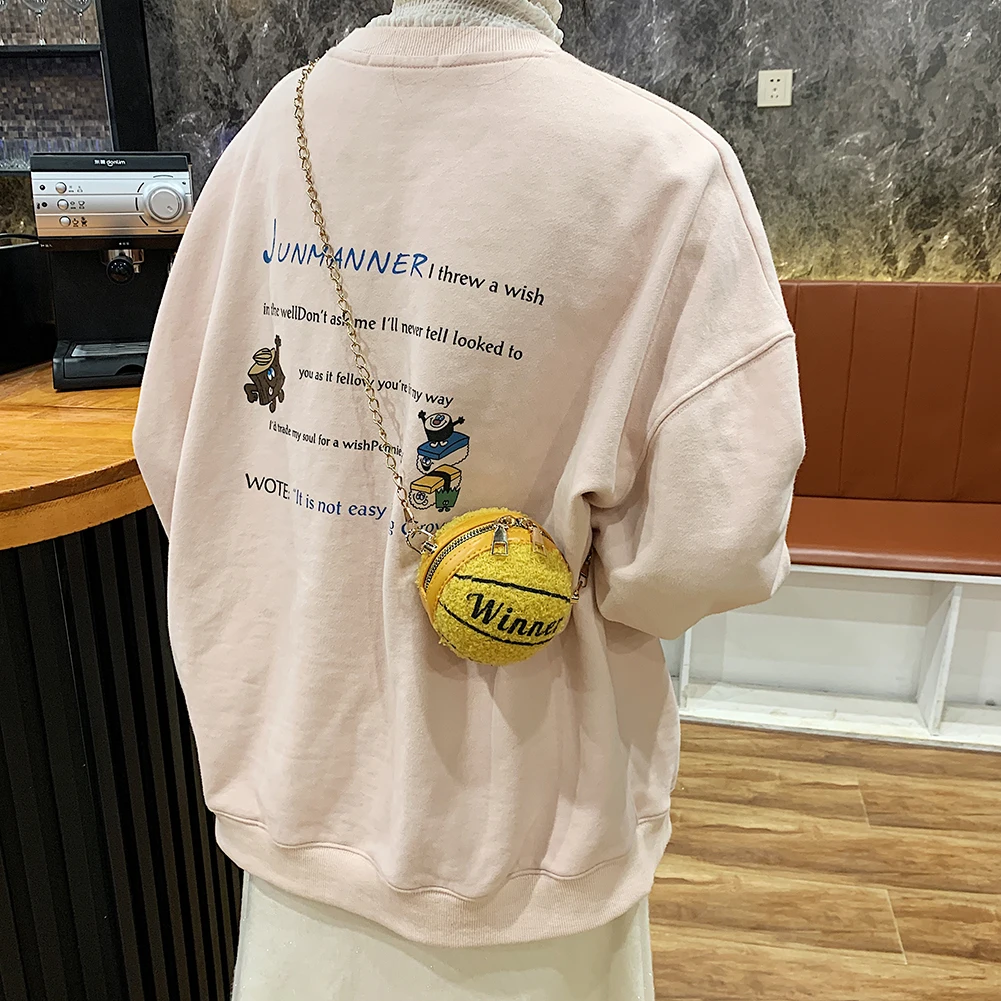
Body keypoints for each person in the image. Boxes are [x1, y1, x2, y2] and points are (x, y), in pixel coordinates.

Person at [132, 0, 805, 997]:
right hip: (529, 830)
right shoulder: (664, 170)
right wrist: (583, 579)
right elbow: (711, 545)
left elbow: (174, 448)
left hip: (297, 788)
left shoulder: (276, 131)